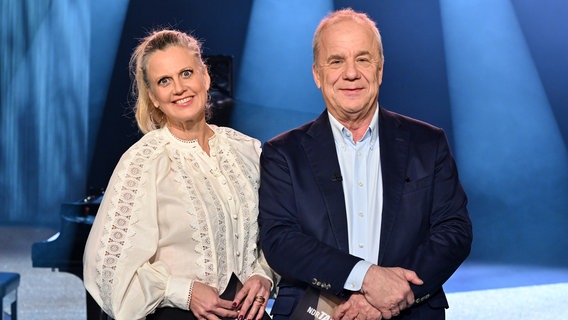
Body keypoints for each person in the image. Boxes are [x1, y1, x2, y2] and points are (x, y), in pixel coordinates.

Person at [259, 8, 472, 320]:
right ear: (317, 74)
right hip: (314, 311)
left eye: (363, 59)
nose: (351, 73)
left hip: (410, 311)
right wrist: (367, 278)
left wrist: (396, 294)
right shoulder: (283, 153)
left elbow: (454, 230)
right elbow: (280, 240)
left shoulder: (428, 143)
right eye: (336, 61)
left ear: (380, 69)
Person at [83, 29, 275, 320]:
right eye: (164, 81)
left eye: (186, 73)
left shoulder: (246, 150)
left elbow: (274, 233)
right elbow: (107, 273)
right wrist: (181, 290)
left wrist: (263, 275)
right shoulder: (143, 161)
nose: (179, 88)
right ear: (154, 97)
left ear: (205, 76)